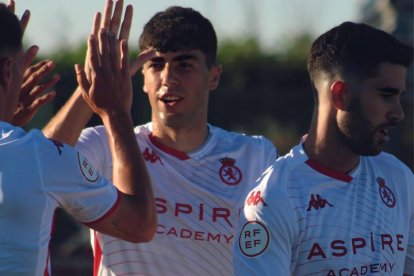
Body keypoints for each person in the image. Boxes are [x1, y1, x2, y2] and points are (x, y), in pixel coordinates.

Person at [43, 1, 278, 275]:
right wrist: (88, 92)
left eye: (184, 65)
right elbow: (38, 164)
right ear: (141, 77)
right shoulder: (105, 144)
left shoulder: (254, 155)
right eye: (156, 64)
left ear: (213, 77)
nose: (168, 78)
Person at [233, 21, 413, 275]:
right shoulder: (274, 199)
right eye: (386, 95)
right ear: (340, 95)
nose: (398, 113)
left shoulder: (398, 177)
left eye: (399, 97)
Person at [0, 1, 157, 274]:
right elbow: (139, 225)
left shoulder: (32, 155)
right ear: (8, 70)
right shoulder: (34, 156)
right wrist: (116, 112)